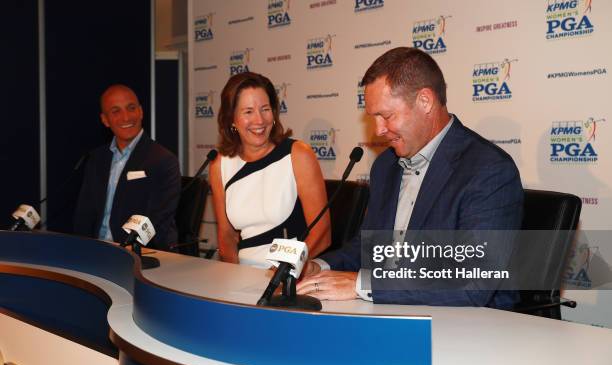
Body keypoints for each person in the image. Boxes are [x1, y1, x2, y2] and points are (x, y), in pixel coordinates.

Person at [297, 47, 523, 308]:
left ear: (425, 101)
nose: (379, 130)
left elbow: (472, 283)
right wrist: (318, 266)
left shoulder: (488, 169)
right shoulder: (385, 165)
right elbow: (369, 247)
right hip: (386, 310)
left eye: (387, 116)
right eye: (374, 118)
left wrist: (361, 284)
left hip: (471, 327)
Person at [209, 72, 331, 268]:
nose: (259, 120)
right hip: (242, 274)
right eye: (248, 112)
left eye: (265, 109)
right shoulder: (219, 165)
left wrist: (285, 269)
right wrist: (232, 278)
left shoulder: (298, 154)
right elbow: (226, 236)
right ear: (232, 119)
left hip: (293, 273)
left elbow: (322, 233)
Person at [74, 84, 181, 250]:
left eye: (131, 108)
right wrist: (80, 250)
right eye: (116, 111)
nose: (126, 117)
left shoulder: (164, 160)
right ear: (105, 120)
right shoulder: (96, 158)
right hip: (96, 251)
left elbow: (157, 221)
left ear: (141, 112)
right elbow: (84, 216)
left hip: (140, 254)